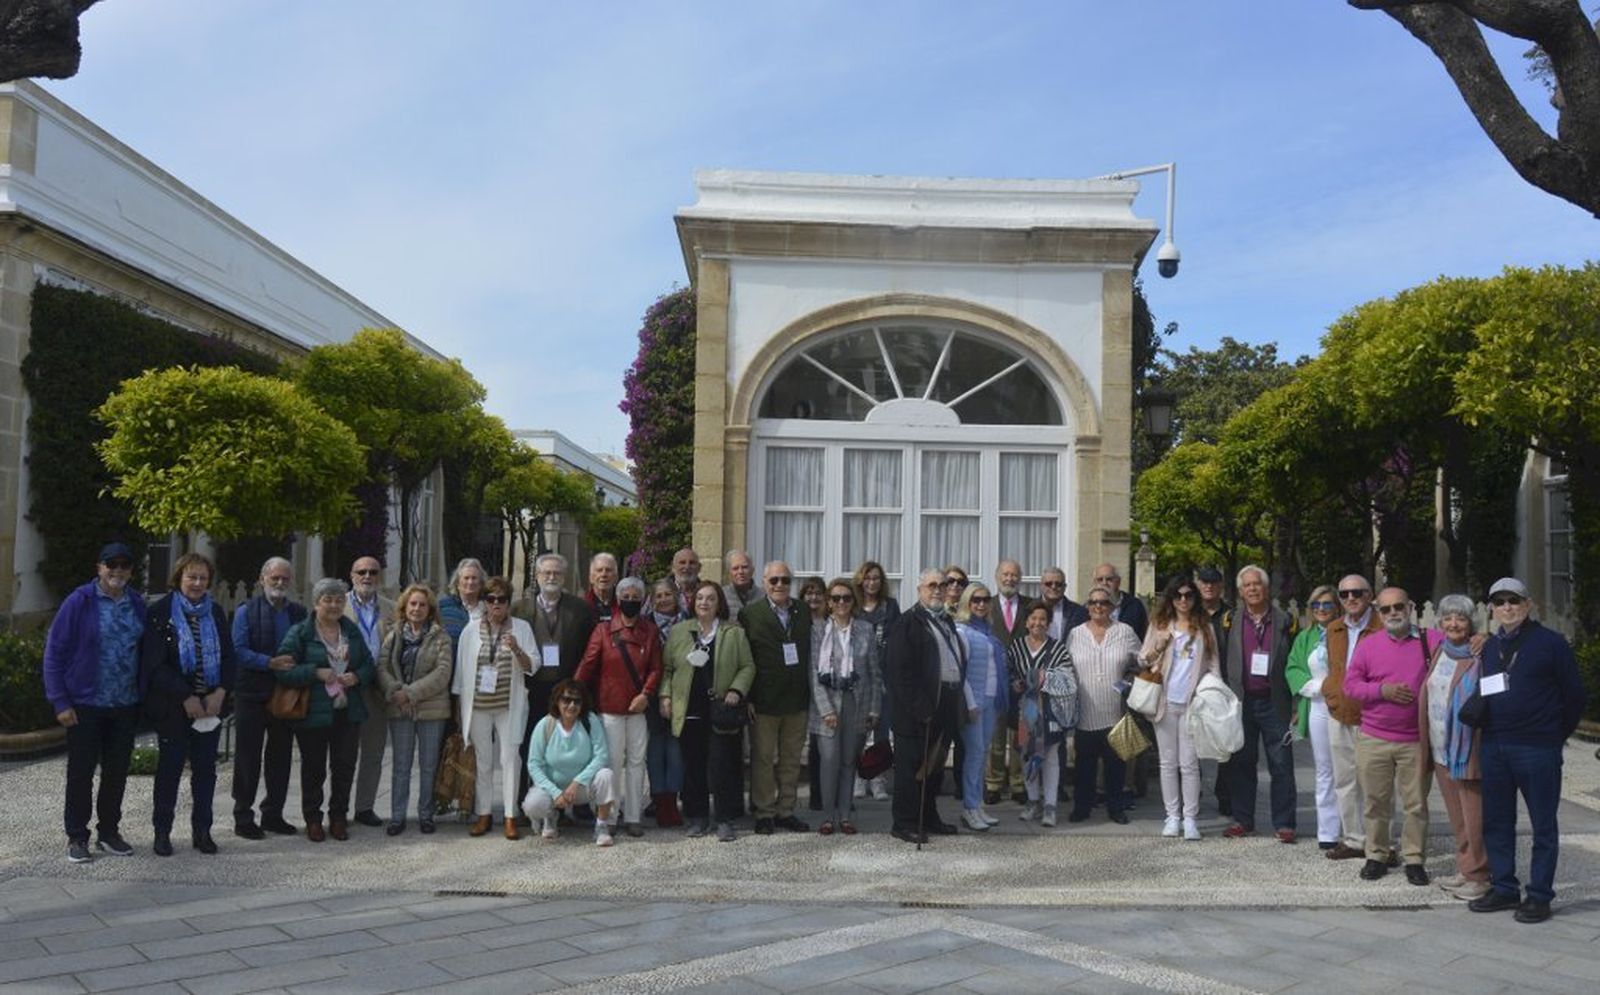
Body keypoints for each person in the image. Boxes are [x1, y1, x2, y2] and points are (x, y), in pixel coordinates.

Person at [1468, 577, 1585, 924]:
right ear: (1491, 608)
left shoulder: (1551, 644)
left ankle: (1539, 895)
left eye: (1514, 600)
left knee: (1543, 824)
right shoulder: (1489, 648)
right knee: (1498, 821)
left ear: (1528, 604)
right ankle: (1504, 887)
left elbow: (1575, 696)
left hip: (1537, 747)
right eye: (1500, 601)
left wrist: (1552, 735)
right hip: (1495, 744)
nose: (1507, 607)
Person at [44, 542, 147, 863]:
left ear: (131, 570)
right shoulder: (80, 602)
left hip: (124, 703)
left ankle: (109, 832)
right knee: (81, 773)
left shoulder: (137, 604)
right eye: (110, 564)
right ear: (98, 567)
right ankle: (77, 836)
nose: (117, 571)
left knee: (116, 772)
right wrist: (60, 701)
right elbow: (54, 652)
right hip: (86, 704)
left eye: (124, 565)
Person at [139, 553, 236, 857]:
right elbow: (155, 665)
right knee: (169, 770)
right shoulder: (160, 612)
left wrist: (221, 691)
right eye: (191, 577)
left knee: (206, 771)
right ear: (178, 578)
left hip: (210, 706)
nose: (197, 583)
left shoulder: (216, 612)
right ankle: (162, 832)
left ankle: (202, 831)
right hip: (173, 707)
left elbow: (229, 657)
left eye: (203, 578)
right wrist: (186, 696)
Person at [1343, 587, 1433, 886]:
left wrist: (1478, 638)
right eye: (1386, 609)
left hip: (1415, 740)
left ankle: (1414, 858)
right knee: (1375, 801)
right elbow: (1351, 686)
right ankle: (1377, 855)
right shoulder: (1369, 645)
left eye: (1398, 607)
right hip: (1375, 738)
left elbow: (1461, 644)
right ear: (1378, 613)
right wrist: (1382, 690)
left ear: (1410, 607)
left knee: (1416, 803)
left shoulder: (1431, 640)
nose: (1393, 613)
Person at [277, 578, 377, 843]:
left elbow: (368, 664)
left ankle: (338, 817)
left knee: (344, 767)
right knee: (314, 769)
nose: (334, 605)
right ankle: (312, 818)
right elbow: (284, 671)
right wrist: (315, 672)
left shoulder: (351, 631)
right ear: (316, 602)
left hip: (348, 711)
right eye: (328, 600)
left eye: (338, 600)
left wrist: (357, 676)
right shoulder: (301, 633)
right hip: (314, 713)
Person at [662, 581, 756, 841]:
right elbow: (668, 669)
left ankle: (724, 819)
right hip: (688, 709)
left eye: (710, 599)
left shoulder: (733, 633)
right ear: (693, 603)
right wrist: (665, 696)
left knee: (721, 765)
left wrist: (737, 690)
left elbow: (747, 666)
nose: (704, 602)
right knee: (693, 767)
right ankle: (697, 817)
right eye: (700, 598)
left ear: (719, 604)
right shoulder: (680, 631)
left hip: (720, 710)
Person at [514, 554, 598, 821]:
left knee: (572, 745)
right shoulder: (519, 609)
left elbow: (589, 651)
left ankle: (576, 802)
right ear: (537, 576)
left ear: (565, 578)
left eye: (557, 574)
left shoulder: (581, 610)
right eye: (546, 573)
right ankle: (526, 802)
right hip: (533, 690)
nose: (551, 578)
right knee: (530, 746)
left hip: (568, 692)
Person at [576, 576, 662, 838]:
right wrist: (572, 696)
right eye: (626, 597)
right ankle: (609, 815)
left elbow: (656, 668)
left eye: (637, 597)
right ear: (618, 599)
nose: (631, 601)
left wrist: (646, 694)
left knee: (637, 763)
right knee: (611, 763)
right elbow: (587, 666)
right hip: (610, 708)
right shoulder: (603, 631)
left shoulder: (650, 631)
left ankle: (634, 816)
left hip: (637, 708)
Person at [885, 569, 966, 843]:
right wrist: (922, 708)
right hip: (916, 712)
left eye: (942, 585)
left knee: (933, 769)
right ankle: (905, 822)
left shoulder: (946, 621)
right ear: (919, 590)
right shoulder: (908, 623)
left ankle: (928, 817)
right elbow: (899, 673)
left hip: (944, 706)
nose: (938, 590)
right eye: (932, 585)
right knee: (911, 771)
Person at [1220, 565, 1298, 843]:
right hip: (1242, 701)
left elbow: (1295, 660)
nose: (1252, 589)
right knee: (1242, 763)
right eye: (1247, 585)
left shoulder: (1286, 620)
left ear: (1267, 589)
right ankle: (1243, 819)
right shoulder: (1230, 620)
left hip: (1275, 701)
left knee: (1282, 764)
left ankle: (1285, 824)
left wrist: (1296, 703)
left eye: (1257, 584)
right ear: (1241, 591)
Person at [454, 576, 536, 840]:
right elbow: (460, 671)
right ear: (484, 602)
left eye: (502, 599)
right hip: (477, 706)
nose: (496, 604)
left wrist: (517, 650)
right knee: (484, 761)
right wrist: (459, 708)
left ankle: (511, 816)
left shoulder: (521, 628)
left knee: (510, 759)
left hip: (508, 705)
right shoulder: (470, 630)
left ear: (509, 602)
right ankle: (484, 814)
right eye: (491, 599)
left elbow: (533, 666)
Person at [229, 556, 305, 840]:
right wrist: (269, 662)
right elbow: (237, 650)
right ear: (262, 580)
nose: (280, 583)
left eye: (285, 578)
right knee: (248, 757)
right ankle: (243, 815)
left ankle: (273, 814)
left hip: (286, 694)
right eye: (275, 578)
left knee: (281, 757)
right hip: (251, 693)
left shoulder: (298, 613)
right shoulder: (245, 611)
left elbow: (307, 645)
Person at [1141, 574, 1219, 841]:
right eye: (1178, 595)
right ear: (1171, 599)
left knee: (1189, 764)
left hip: (1191, 704)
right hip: (1164, 701)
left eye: (1188, 595)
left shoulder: (1204, 627)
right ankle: (1172, 816)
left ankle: (1190, 818)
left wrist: (1212, 694)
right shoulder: (1160, 624)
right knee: (1167, 763)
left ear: (1195, 598)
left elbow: (1213, 665)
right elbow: (1143, 658)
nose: (1183, 600)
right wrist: (1158, 648)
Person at [1420, 594, 1488, 901]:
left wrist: (1487, 638)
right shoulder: (1440, 651)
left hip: (1467, 749)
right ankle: (1466, 868)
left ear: (1470, 621)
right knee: (1457, 815)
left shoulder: (1480, 654)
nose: (1453, 624)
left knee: (1475, 816)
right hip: (1441, 747)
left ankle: (1481, 875)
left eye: (1460, 618)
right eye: (1447, 618)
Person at [740, 560, 813, 834]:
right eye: (774, 581)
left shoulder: (803, 611)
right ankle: (764, 812)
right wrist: (747, 697)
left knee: (792, 760)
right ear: (764, 583)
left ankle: (786, 810)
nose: (780, 585)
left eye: (785, 580)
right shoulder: (751, 614)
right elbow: (745, 658)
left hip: (797, 700)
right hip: (764, 701)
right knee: (763, 759)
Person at [376, 583, 453, 835]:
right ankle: (397, 816)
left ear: (430, 609)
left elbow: (443, 673)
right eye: (413, 604)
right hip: (400, 709)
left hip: (431, 709)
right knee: (401, 765)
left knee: (429, 765)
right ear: (404, 607)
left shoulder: (441, 636)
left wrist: (410, 693)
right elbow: (382, 667)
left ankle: (425, 814)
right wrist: (395, 690)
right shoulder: (393, 634)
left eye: (422, 604)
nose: (417, 609)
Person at [809, 577, 881, 836]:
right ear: (829, 602)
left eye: (846, 598)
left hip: (856, 702)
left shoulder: (865, 629)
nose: (841, 602)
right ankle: (828, 816)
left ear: (854, 601)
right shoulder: (817, 630)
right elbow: (813, 675)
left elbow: (874, 673)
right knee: (829, 760)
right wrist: (826, 709)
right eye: (836, 598)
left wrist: (874, 709)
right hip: (826, 705)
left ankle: (845, 815)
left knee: (849, 761)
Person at [1319, 574, 1381, 862]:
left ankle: (1380, 843)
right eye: (1344, 594)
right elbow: (1333, 667)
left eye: (1357, 592)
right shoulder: (1333, 629)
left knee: (1376, 784)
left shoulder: (1383, 626)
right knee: (1344, 781)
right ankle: (1354, 839)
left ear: (1369, 595)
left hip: (1373, 716)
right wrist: (1331, 692)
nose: (1351, 598)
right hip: (1340, 714)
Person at [1068, 586, 1141, 826]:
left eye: (1104, 603)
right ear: (1087, 607)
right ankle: (1082, 807)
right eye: (1093, 602)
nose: (1098, 607)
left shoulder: (1125, 631)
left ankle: (1115, 807)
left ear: (1112, 607)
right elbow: (1066, 667)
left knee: (1116, 766)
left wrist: (1126, 682)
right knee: (1084, 766)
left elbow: (1140, 663)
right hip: (1085, 712)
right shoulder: (1076, 634)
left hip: (1115, 712)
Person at [523, 679, 619, 846]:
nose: (572, 705)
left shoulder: (590, 721)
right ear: (557, 701)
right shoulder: (545, 724)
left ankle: (602, 826)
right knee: (532, 804)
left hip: (581, 788)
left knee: (606, 775)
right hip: (555, 789)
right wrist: (555, 792)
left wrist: (577, 781)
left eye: (577, 701)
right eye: (566, 700)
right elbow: (534, 764)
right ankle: (551, 817)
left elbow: (601, 756)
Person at [1284, 584, 1342, 850]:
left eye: (1327, 604)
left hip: (1347, 706)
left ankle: (1354, 829)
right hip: (1318, 706)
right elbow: (1293, 668)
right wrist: (1319, 688)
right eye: (1317, 605)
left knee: (1350, 768)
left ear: (1336, 607)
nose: (1321, 609)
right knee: (1325, 770)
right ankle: (1327, 832)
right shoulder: (1304, 637)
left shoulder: (1347, 634)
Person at [1008, 603, 1076, 825]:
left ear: (1048, 623)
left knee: (1051, 757)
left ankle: (1050, 806)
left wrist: (1043, 678)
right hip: (1025, 710)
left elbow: (1067, 678)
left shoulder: (1057, 648)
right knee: (1028, 755)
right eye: (1033, 618)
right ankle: (1032, 801)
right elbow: (1008, 673)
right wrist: (1016, 683)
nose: (1038, 623)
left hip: (1051, 710)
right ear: (1027, 622)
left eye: (1042, 619)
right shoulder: (1016, 647)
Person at [345, 555, 395, 829]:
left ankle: (364, 807)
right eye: (361, 571)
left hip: (377, 688)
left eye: (373, 572)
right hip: (346, 687)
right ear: (352, 576)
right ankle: (338, 807)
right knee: (343, 752)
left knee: (373, 752)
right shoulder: (336, 604)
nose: (367, 577)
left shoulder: (391, 608)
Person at [954, 583, 1006, 831]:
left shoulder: (988, 632)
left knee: (982, 754)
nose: (981, 604)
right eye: (975, 600)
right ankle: (969, 808)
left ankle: (977, 805)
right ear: (967, 602)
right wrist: (970, 704)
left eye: (985, 599)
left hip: (990, 701)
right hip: (973, 704)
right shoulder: (962, 631)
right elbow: (959, 672)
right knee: (974, 755)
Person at [853, 559, 899, 801]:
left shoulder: (890, 606)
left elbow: (896, 641)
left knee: (882, 731)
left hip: (884, 677)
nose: (871, 583)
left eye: (876, 579)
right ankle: (860, 777)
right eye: (867, 578)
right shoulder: (854, 606)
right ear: (861, 581)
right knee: (860, 730)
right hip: (859, 677)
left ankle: (878, 780)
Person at [986, 560, 1030, 806]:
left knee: (1020, 737)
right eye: (1005, 574)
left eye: (1014, 575)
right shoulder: (986, 606)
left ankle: (1017, 783)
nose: (1010, 579)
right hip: (995, 682)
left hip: (1023, 683)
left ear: (1020, 578)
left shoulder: (1030, 605)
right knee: (995, 735)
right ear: (997, 577)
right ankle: (993, 783)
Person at [644, 577, 685, 826]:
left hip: (682, 695)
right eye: (658, 596)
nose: (663, 600)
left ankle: (673, 800)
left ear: (676, 596)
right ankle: (660, 802)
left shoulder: (689, 623)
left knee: (677, 748)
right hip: (651, 694)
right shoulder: (645, 625)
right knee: (656, 748)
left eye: (667, 594)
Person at [798, 575, 827, 812]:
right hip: (800, 688)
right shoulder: (797, 622)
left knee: (823, 744)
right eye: (809, 593)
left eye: (818, 593)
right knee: (808, 744)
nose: (813, 597)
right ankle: (815, 794)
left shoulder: (831, 623)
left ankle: (828, 792)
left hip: (826, 690)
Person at [438, 557, 487, 659]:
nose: (470, 582)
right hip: (450, 664)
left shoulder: (488, 609)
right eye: (466, 578)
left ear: (481, 583)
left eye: (474, 578)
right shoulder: (444, 607)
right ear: (457, 583)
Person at [1093, 563, 1148, 642]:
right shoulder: (1088, 608)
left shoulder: (1135, 606)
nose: (1104, 583)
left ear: (1118, 582)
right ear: (1095, 583)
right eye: (1100, 580)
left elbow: (1143, 636)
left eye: (1109, 579)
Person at [585, 552, 620, 623]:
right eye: (599, 570)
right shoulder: (581, 607)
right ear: (591, 577)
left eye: (608, 570)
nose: (603, 574)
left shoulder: (624, 605)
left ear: (616, 577)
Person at [723, 549, 758, 614]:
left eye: (744, 567)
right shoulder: (721, 596)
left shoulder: (764, 596)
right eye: (735, 568)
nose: (740, 572)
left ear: (752, 570)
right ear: (728, 573)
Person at [670, 547, 702, 615]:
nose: (687, 567)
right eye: (682, 563)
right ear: (673, 567)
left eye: (692, 563)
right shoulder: (660, 592)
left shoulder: (708, 591)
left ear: (699, 568)